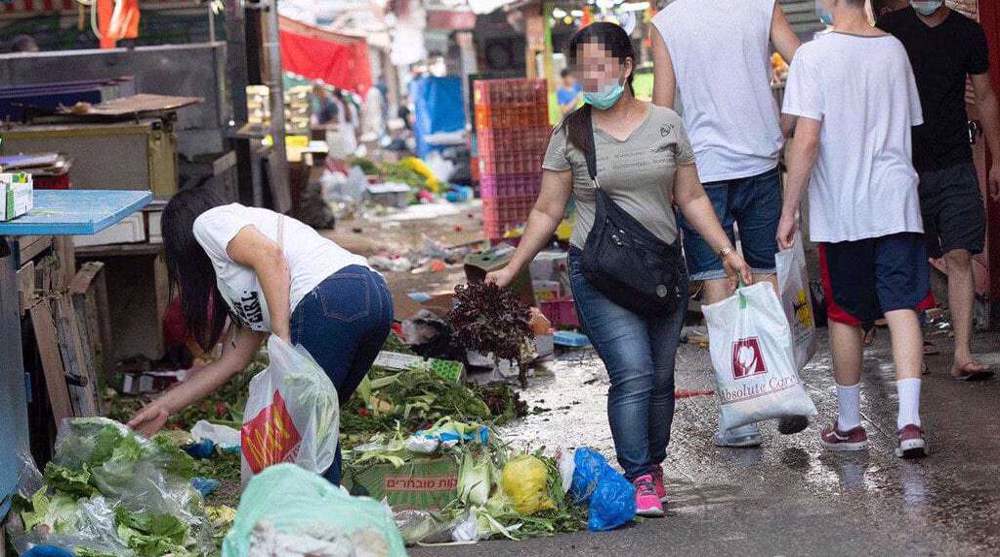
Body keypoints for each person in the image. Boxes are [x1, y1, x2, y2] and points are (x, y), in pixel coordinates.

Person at [487, 22, 753, 517]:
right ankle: (639, 475)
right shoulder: (571, 132)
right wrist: (513, 266)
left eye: (599, 67)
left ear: (628, 67)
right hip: (600, 272)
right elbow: (548, 211)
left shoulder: (666, 124)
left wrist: (726, 250)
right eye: (581, 70)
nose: (590, 78)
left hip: (661, 270)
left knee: (661, 377)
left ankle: (653, 465)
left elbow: (690, 197)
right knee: (633, 372)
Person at [128, 186, 393, 483]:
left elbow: (271, 256)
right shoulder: (241, 284)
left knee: (308, 425)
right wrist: (163, 407)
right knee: (317, 426)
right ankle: (322, 514)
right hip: (373, 298)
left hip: (330, 298)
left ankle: (315, 518)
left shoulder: (208, 222)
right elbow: (232, 361)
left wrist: (281, 340)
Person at [778, 0, 929, 459]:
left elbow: (806, 137)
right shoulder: (894, 49)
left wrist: (789, 209)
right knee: (902, 304)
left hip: (844, 208)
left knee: (845, 312)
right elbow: (910, 124)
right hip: (896, 199)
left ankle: (849, 424)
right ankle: (909, 423)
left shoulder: (812, 56)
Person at [651, 0, 804, 448]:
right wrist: (788, 120)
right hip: (760, 161)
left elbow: (663, 109)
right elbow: (806, 62)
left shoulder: (667, 21)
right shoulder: (760, 5)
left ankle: (738, 417)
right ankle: (782, 391)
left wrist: (663, 182)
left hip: (700, 172)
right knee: (766, 279)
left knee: (716, 286)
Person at [878, 2, 1000, 382]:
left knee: (960, 253)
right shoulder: (890, 29)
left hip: (955, 164)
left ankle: (962, 353)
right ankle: (913, 352)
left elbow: (985, 97)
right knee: (909, 258)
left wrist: (997, 158)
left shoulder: (968, 33)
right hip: (902, 166)